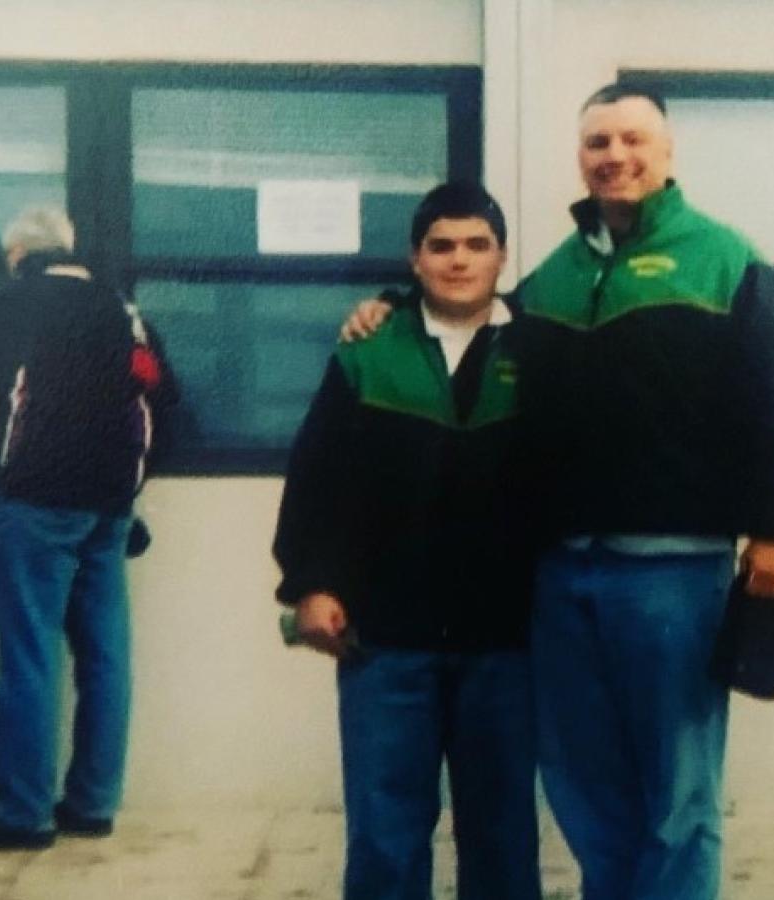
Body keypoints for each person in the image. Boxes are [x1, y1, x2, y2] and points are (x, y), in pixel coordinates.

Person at [342, 85, 774, 899]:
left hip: (676, 572)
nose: (615, 155)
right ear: (580, 157)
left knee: (679, 796)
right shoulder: (551, 281)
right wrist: (388, 307)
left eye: (633, 139)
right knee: (582, 785)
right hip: (562, 578)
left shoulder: (727, 261)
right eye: (598, 141)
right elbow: (464, 313)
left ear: (666, 155)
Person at [273, 182, 541, 899]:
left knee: (503, 833)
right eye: (442, 245)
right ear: (416, 259)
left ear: (502, 257)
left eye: (477, 244)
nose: (460, 260)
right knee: (386, 832)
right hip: (386, 640)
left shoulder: (543, 352)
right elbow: (315, 480)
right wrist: (312, 584)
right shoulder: (368, 352)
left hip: (506, 643)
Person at [0, 206, 164, 851]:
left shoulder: (22, 302)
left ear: (18, 256)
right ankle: (92, 804)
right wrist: (129, 488)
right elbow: (158, 398)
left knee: (29, 656)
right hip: (110, 506)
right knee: (105, 655)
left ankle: (23, 813)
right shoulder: (124, 309)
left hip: (36, 500)